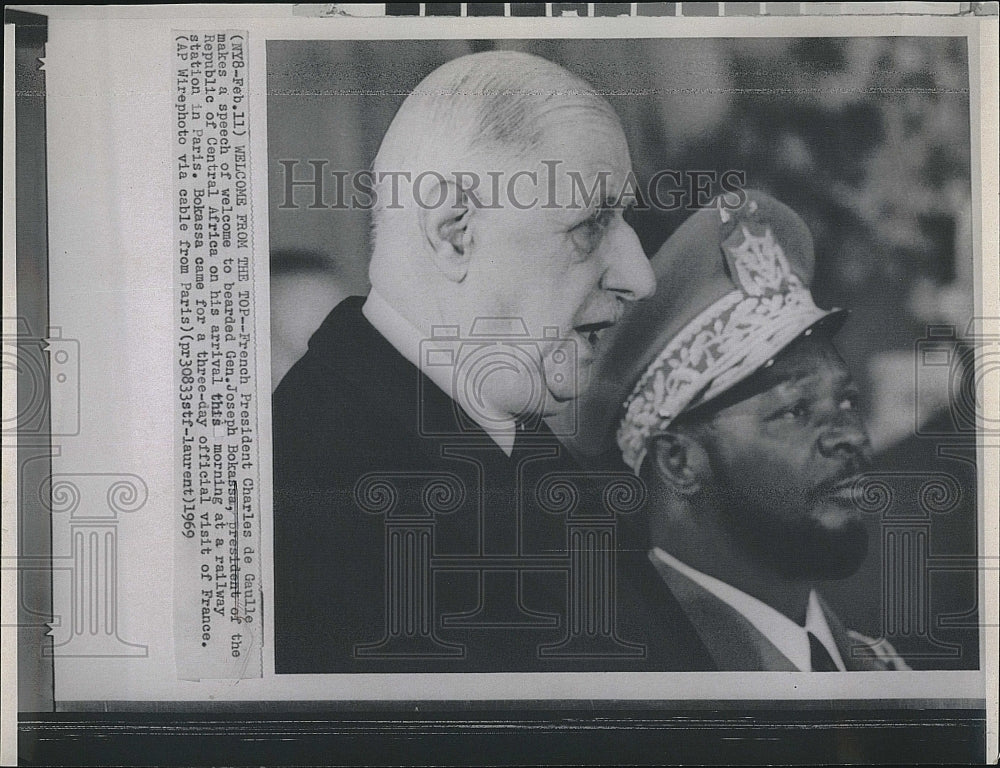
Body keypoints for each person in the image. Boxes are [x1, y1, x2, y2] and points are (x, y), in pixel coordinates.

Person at [271, 51, 656, 673]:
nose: (640, 277)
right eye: (590, 223)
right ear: (455, 233)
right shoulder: (313, 507)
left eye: (625, 219)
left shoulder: (543, 466)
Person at [569, 190, 910, 671]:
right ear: (678, 462)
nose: (850, 435)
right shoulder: (636, 675)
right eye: (795, 410)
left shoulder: (880, 670)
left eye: (848, 401)